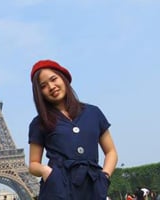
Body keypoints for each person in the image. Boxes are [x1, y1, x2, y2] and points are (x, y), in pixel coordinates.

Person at [28, 59, 118, 200]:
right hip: (57, 188)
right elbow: (33, 164)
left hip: (93, 186)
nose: (51, 87)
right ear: (40, 94)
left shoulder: (93, 113)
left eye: (53, 79)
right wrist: (46, 172)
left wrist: (105, 176)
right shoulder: (39, 123)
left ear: (63, 78)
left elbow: (111, 151)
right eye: (43, 86)